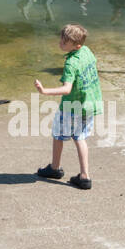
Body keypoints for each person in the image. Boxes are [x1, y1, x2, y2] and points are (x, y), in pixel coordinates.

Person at [35, 23, 103, 191]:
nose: (60, 43)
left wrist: (44, 91)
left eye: (65, 42)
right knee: (80, 137)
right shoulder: (87, 51)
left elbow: (67, 89)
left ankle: (54, 168)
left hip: (72, 107)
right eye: (61, 39)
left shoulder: (71, 63)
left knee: (58, 135)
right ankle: (85, 176)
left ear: (76, 45)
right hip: (89, 103)